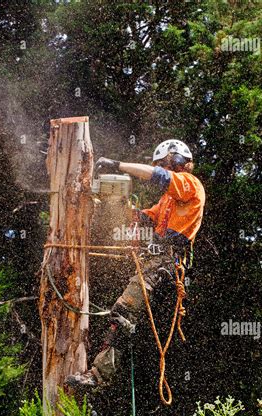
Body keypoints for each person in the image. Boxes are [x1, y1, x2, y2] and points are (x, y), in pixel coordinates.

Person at [65, 139, 206, 388]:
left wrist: (118, 165)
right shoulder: (168, 201)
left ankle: (99, 376)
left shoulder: (189, 184)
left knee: (124, 311)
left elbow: (158, 176)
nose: (164, 167)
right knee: (124, 314)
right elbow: (145, 216)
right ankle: (99, 373)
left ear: (177, 161)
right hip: (157, 264)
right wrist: (112, 203)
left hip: (166, 265)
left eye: (166, 163)